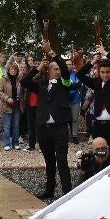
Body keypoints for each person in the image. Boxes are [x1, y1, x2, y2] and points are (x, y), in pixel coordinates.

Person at [26, 45, 73, 199]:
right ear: (49, 71)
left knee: (62, 160)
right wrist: (38, 67)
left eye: (59, 69)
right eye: (55, 69)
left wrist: (53, 53)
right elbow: (25, 81)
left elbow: (65, 71)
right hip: (43, 128)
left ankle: (67, 191)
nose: (58, 71)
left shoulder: (64, 84)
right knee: (49, 160)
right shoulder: (41, 85)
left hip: (59, 127)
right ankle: (50, 190)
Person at [78, 45, 110, 160]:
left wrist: (105, 53)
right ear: (98, 72)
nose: (105, 75)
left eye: (108, 72)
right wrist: (92, 62)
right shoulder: (96, 83)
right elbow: (80, 75)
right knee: (99, 156)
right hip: (98, 126)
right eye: (102, 72)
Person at [0, 62, 24, 150]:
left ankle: (15, 143)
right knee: (7, 126)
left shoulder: (19, 79)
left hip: (17, 105)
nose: (13, 71)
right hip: (7, 105)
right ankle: (6, 143)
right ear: (8, 70)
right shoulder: (3, 79)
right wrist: (7, 98)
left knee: (16, 125)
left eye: (15, 69)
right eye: (12, 69)